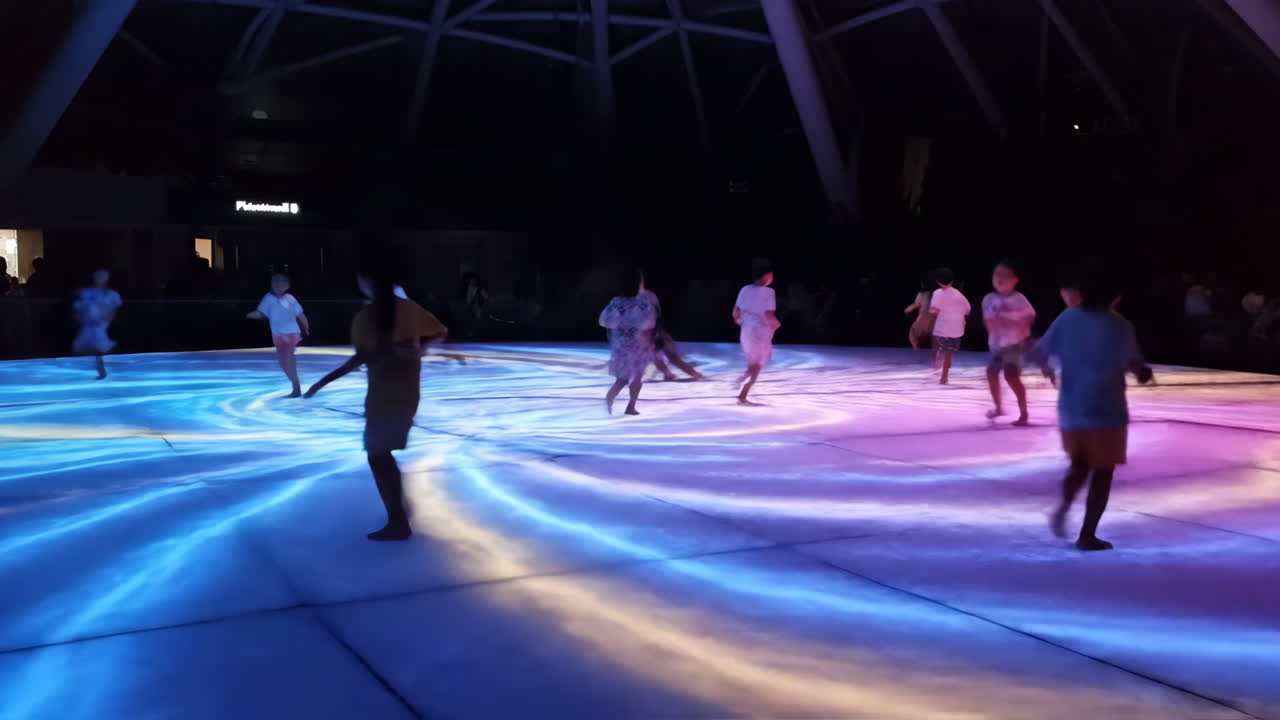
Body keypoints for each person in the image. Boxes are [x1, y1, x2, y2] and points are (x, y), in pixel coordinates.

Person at [304, 269, 448, 541]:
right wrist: (418, 351)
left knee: (378, 454)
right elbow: (438, 331)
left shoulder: (369, 317)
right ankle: (399, 510)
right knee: (380, 453)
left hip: (387, 397)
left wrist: (321, 383)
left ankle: (398, 521)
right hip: (402, 393)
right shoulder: (405, 309)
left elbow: (360, 358)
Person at [1036, 268, 1154, 551]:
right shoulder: (1120, 325)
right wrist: (1142, 372)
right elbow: (1134, 364)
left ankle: (1064, 506)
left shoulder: (1067, 318)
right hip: (1107, 410)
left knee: (1079, 465)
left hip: (1072, 410)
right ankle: (1087, 535)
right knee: (1102, 473)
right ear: (1116, 297)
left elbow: (1041, 351)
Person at [982, 262, 1037, 424]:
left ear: (1014, 280)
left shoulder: (1019, 299)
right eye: (996, 275)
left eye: (1003, 275)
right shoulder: (989, 299)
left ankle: (1023, 413)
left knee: (1011, 377)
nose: (999, 278)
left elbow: (1030, 316)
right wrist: (994, 324)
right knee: (991, 373)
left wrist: (1011, 319)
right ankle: (998, 407)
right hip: (996, 345)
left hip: (1013, 344)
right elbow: (988, 321)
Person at [599, 267, 657, 415]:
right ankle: (630, 406)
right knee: (637, 377)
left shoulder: (616, 302)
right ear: (639, 283)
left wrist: (621, 325)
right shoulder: (644, 303)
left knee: (623, 378)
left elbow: (604, 321)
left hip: (622, 346)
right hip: (639, 344)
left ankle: (613, 397)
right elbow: (650, 322)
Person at [246, 272, 310, 397]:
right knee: (283, 362)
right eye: (275, 282)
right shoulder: (268, 298)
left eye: (281, 282)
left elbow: (300, 315)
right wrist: (248, 315)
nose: (278, 284)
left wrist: (306, 328)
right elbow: (261, 313)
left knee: (288, 359)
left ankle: (296, 388)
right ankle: (295, 386)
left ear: (287, 285)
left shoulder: (290, 299)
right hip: (278, 335)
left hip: (290, 334)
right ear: (271, 284)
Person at [733, 259, 781, 405]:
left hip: (746, 331)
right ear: (767, 276)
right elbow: (768, 315)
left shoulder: (744, 289)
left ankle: (742, 385)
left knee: (753, 363)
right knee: (757, 365)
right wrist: (777, 325)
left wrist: (744, 323)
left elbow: (735, 313)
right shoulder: (769, 292)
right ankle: (743, 391)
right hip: (760, 332)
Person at [641, 277, 703, 382]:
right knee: (654, 357)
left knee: (672, 357)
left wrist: (657, 333)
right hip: (642, 333)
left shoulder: (648, 295)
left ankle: (695, 374)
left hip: (654, 331)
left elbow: (657, 315)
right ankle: (668, 374)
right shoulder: (630, 298)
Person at [72, 268, 122, 379]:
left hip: (100, 324)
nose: (99, 279)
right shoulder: (87, 292)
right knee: (82, 347)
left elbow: (114, 310)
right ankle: (95, 370)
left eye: (102, 277)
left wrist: (106, 319)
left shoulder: (111, 294)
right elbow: (79, 306)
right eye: (98, 277)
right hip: (88, 324)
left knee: (99, 346)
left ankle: (103, 371)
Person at [928, 267, 969, 385]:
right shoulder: (960, 295)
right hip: (957, 331)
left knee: (939, 344)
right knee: (949, 352)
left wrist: (933, 310)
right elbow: (967, 310)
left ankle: (938, 362)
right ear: (952, 280)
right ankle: (944, 372)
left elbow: (933, 310)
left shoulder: (937, 293)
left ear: (938, 282)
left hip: (942, 331)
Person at [904, 271, 936, 352]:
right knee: (934, 336)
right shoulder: (937, 294)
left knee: (912, 333)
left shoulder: (922, 294)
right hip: (935, 320)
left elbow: (916, 304)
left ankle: (916, 348)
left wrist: (907, 309)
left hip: (923, 318)